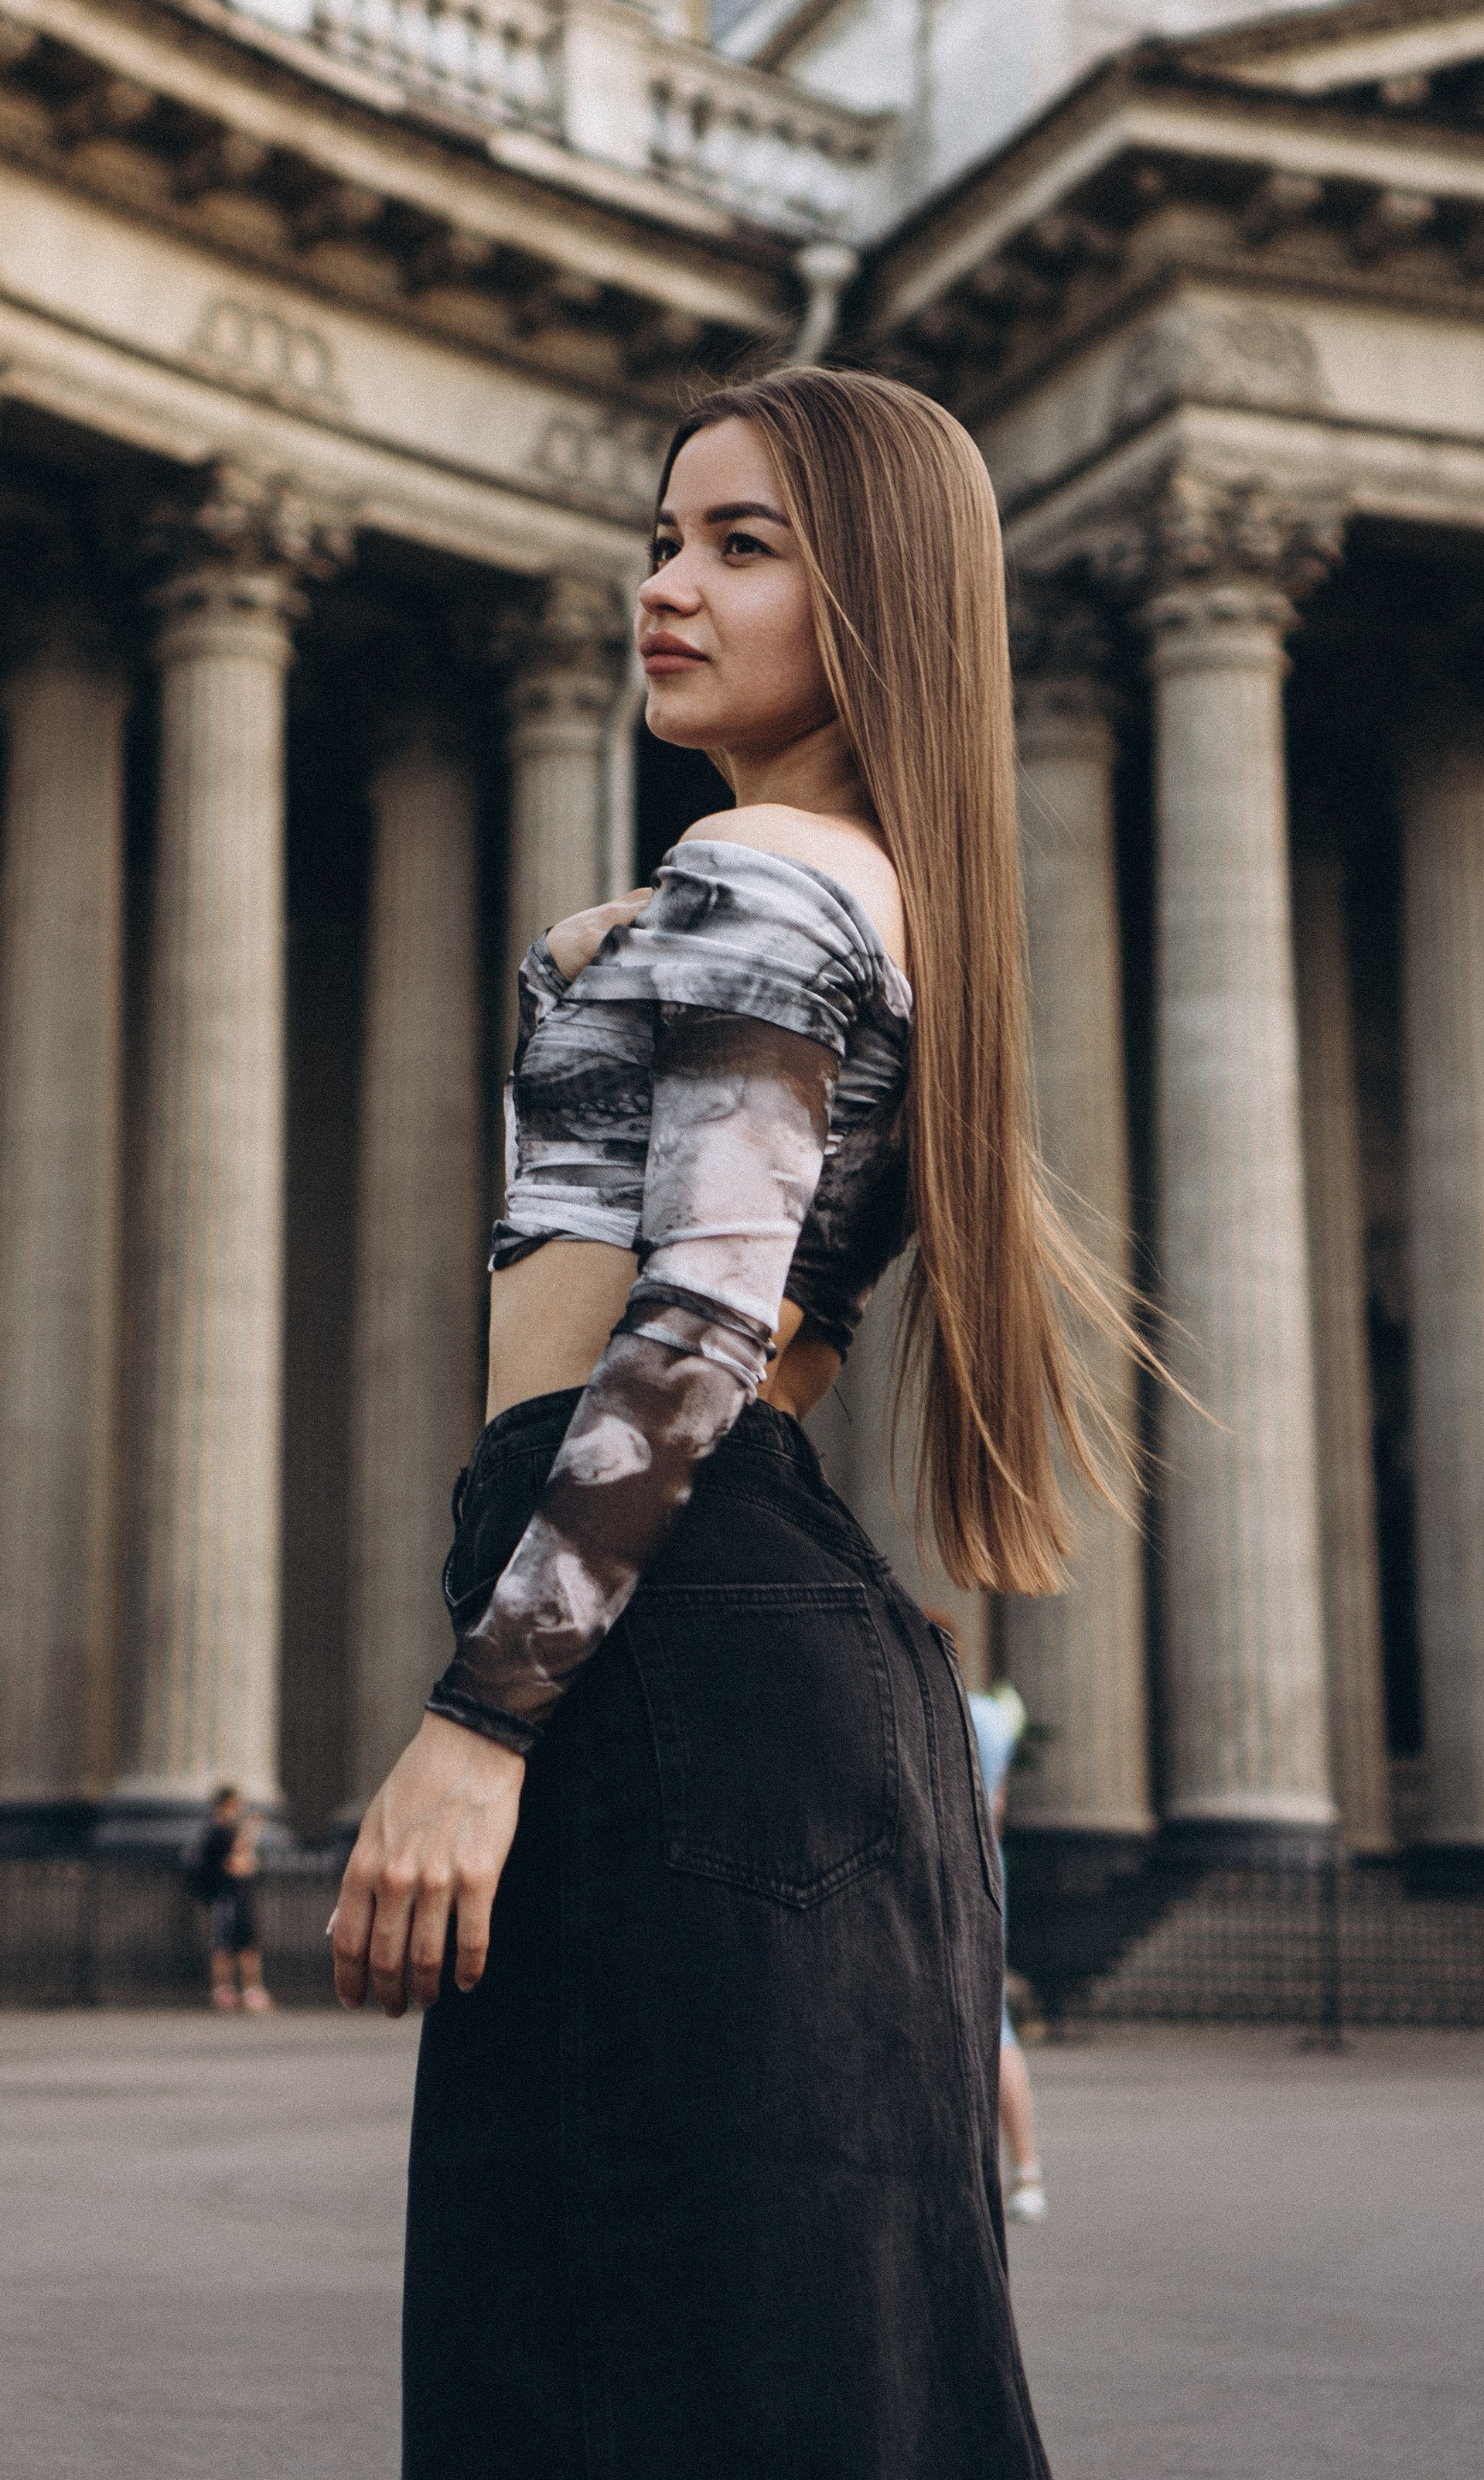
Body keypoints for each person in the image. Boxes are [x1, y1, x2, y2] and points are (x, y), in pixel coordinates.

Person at [330, 367, 1145, 2478]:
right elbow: (783, 1313)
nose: (665, 587)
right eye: (664, 538)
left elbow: (694, 1324)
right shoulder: (861, 881)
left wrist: (477, 1723)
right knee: (787, 2378)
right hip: (755, 1652)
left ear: (871, 591)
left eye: (741, 545)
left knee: (612, 2369)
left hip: (662, 1655)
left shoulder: (763, 864)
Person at [966, 1669, 1049, 2226]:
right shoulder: (995, 1715)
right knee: (996, 2025)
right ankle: (1026, 2173)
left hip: (955, 1866)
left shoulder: (956, 1707)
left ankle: (990, 2175)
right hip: (988, 1866)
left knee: (981, 2025)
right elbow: (996, 1804)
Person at [194, 1786, 273, 2015]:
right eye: (233, 1806)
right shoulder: (218, 1833)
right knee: (224, 1945)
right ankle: (224, 1989)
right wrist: (250, 1832)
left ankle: (250, 1989)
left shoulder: (225, 1831)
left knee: (248, 1943)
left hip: (240, 1896)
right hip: (225, 1896)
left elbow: (248, 1864)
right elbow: (238, 1864)